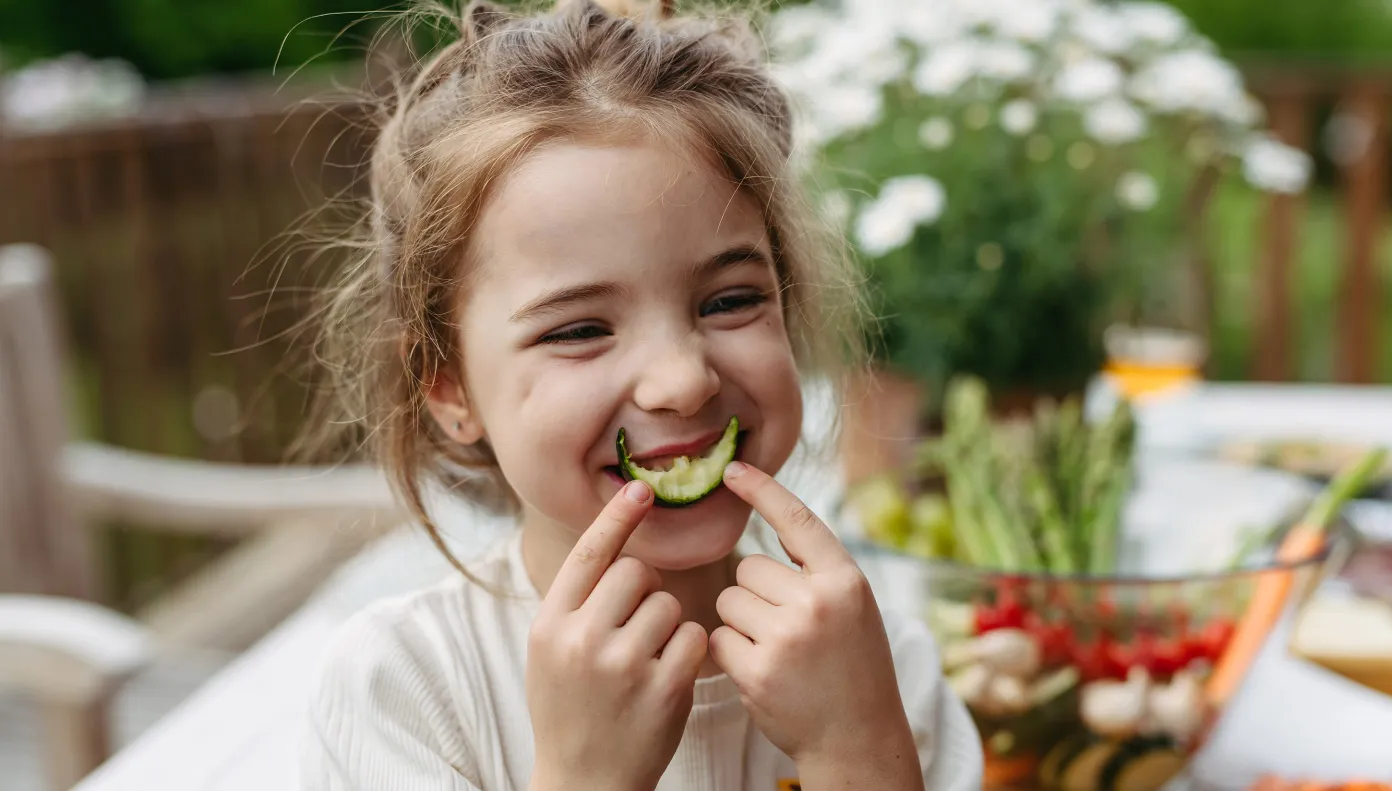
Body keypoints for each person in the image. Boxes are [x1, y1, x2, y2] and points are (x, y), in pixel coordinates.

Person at [294, 0, 983, 788]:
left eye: (728, 301)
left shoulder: (880, 666)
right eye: (579, 328)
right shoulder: (404, 691)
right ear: (451, 388)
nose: (684, 380)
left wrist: (855, 752)